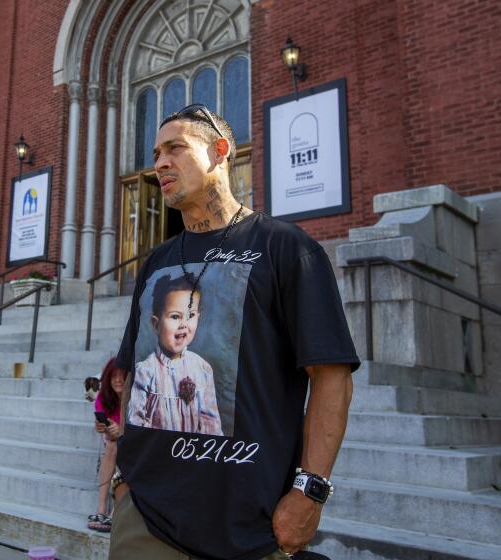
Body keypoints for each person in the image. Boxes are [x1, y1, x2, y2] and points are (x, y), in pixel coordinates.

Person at [110, 104, 358, 559]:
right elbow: (130, 373)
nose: (159, 163)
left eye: (175, 148)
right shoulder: (156, 263)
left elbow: (332, 378)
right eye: (155, 152)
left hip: (250, 527)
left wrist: (309, 493)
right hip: (143, 521)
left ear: (220, 151)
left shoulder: (286, 248)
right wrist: (121, 480)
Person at [128, 272, 223, 435]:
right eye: (175, 316)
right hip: (159, 453)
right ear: (156, 324)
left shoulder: (202, 369)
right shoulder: (146, 371)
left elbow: (210, 422)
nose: (184, 324)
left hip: (192, 454)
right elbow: (136, 421)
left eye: (191, 315)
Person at [88, 358, 125, 533]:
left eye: (121, 376)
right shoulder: (103, 399)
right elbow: (107, 434)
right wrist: (102, 427)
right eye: (113, 376)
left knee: (116, 444)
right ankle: (101, 509)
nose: (117, 380)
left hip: (136, 445)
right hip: (113, 445)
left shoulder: (136, 398)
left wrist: (122, 432)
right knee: (111, 445)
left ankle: (115, 511)